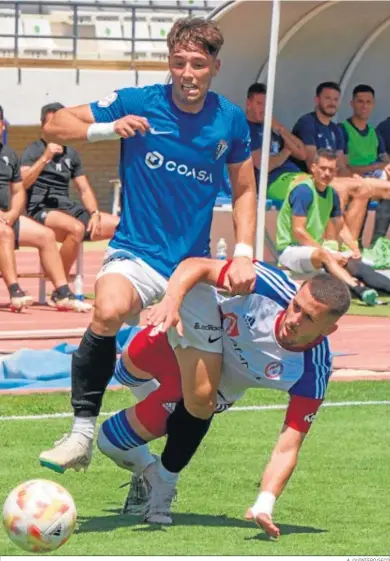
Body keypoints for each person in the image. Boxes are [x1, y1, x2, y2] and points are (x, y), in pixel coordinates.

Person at [38, 17, 257, 484]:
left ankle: (160, 479)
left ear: (215, 67)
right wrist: (108, 128)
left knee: (201, 397)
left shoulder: (230, 119)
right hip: (136, 253)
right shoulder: (138, 102)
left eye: (198, 64)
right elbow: (56, 124)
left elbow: (244, 188)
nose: (188, 73)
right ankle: (80, 433)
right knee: (108, 308)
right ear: (169, 63)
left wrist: (243, 251)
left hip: (191, 268)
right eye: (179, 63)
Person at [96, 258, 351, 535]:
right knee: (124, 372)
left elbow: (287, 447)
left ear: (328, 330)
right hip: (182, 340)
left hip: (202, 392)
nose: (293, 319)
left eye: (309, 318)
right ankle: (157, 465)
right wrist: (172, 299)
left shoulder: (312, 369)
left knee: (110, 442)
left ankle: (157, 477)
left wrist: (264, 503)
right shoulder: (268, 284)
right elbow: (194, 265)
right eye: (296, 306)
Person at [0, 106, 92, 312]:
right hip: (2, 224)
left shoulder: (9, 155)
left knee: (46, 236)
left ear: (2, 125)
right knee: (4, 233)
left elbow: (18, 191)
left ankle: (62, 294)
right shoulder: (32, 151)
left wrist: (12, 213)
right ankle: (15, 291)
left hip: (7, 216)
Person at [276, 148, 390, 304]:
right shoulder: (303, 191)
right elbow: (299, 231)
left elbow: (340, 227)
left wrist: (354, 248)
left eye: (331, 170)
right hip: (289, 251)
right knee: (327, 256)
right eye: (323, 168)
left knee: (352, 262)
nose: (326, 174)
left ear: (336, 171)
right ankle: (359, 290)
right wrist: (326, 252)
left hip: (312, 250)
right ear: (313, 168)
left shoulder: (332, 193)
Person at [20, 103, 119, 279]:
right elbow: (23, 184)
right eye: (53, 125)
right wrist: (45, 158)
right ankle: (60, 286)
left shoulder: (71, 154)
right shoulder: (33, 150)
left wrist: (95, 213)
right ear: (44, 126)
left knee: (122, 226)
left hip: (68, 208)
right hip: (40, 210)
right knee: (76, 228)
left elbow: (84, 189)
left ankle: (121, 278)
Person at [292, 82, 390, 243]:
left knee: (364, 187)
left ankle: (373, 244)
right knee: (347, 188)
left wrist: (357, 179)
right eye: (327, 98)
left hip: (341, 178)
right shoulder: (311, 123)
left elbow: (342, 167)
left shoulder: (335, 130)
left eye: (335, 99)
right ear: (317, 100)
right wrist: (360, 176)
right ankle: (339, 244)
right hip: (308, 180)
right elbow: (313, 166)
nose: (332, 102)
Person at [245, 82, 306, 197]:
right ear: (248, 104)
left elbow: (302, 154)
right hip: (274, 181)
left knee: (332, 188)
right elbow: (264, 166)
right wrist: (286, 152)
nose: (264, 109)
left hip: (295, 175)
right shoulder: (245, 128)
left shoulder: (273, 127)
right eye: (259, 104)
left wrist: (281, 129)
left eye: (267, 104)